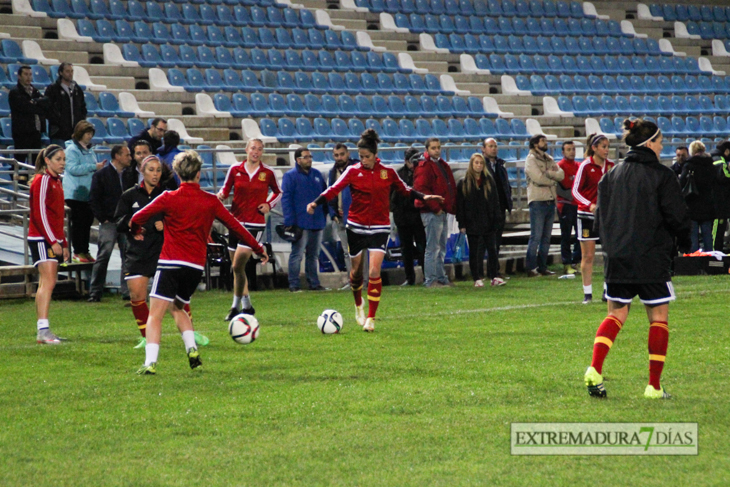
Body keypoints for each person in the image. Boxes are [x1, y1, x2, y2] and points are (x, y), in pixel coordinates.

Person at [130, 150, 268, 375]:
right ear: (198, 173)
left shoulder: (168, 197)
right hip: (194, 267)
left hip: (170, 263)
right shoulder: (210, 201)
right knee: (178, 307)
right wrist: (258, 248)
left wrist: (137, 230)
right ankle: (192, 350)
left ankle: (150, 363)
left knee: (155, 314)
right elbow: (236, 227)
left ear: (176, 173)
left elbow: (137, 218)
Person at [584, 118, 691, 399]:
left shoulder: (611, 175)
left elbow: (599, 219)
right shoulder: (662, 175)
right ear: (650, 143)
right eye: (660, 141)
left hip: (617, 257)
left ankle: (595, 369)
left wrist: (612, 245)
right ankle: (654, 386)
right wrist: (684, 242)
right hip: (651, 257)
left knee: (616, 314)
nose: (662, 146)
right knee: (658, 317)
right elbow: (677, 217)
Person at [306, 129, 442, 332]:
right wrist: (316, 203)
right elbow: (333, 189)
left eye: (367, 157)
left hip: (380, 227)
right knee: (356, 272)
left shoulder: (387, 172)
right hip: (356, 226)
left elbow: (404, 189)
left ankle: (371, 317)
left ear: (375, 155)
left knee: (374, 271)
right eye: (360, 157)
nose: (363, 160)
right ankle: (358, 303)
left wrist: (424, 197)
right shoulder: (352, 171)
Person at [217, 138, 281, 320]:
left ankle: (235, 307)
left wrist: (268, 204)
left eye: (260, 149)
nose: (256, 151)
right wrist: (221, 195)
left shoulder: (268, 172)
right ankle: (247, 305)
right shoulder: (235, 169)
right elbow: (226, 189)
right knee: (237, 268)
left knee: (238, 265)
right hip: (235, 222)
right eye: (253, 148)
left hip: (255, 223)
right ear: (246, 150)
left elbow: (278, 191)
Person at [28, 145, 69, 344]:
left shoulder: (56, 182)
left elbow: (57, 216)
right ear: (47, 161)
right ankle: (42, 330)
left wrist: (64, 242)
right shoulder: (43, 180)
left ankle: (43, 330)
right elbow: (39, 214)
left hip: (50, 237)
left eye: (64, 159)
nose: (62, 163)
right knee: (48, 281)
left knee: (48, 282)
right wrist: (53, 241)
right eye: (58, 159)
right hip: (42, 238)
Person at [87, 145, 135, 302]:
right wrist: (103, 218)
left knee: (127, 256)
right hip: (109, 222)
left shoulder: (129, 175)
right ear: (118, 156)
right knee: (104, 254)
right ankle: (95, 292)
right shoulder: (102, 175)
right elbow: (94, 198)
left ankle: (127, 291)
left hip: (125, 222)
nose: (130, 157)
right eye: (127, 155)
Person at [572, 133, 614, 303]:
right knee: (588, 255)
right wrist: (589, 204)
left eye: (607, 147)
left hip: (606, 216)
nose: (606, 150)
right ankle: (587, 294)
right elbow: (575, 190)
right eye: (603, 147)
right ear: (594, 148)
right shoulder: (585, 166)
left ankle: (607, 290)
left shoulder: (611, 166)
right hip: (587, 216)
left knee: (609, 254)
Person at [282, 147, 328, 292]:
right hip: (300, 222)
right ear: (298, 160)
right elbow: (286, 199)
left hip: (317, 220)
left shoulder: (317, 174)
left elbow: (325, 195)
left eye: (310, 156)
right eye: (306, 157)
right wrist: (289, 221)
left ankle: (314, 283)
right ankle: (294, 284)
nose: (309, 159)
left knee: (313, 255)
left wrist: (326, 213)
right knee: (297, 254)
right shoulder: (290, 176)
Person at [413, 138, 457, 288]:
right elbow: (421, 190)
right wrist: (435, 208)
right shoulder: (424, 166)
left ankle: (440, 277)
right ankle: (431, 280)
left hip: (441, 210)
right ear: (427, 149)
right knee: (433, 247)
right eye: (433, 148)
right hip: (432, 211)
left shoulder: (440, 164)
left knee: (440, 246)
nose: (437, 150)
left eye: (438, 147)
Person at [456, 153, 504, 287]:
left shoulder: (489, 181)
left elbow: (495, 202)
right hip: (472, 222)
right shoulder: (463, 183)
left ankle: (494, 276)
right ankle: (477, 277)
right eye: (476, 163)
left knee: (492, 250)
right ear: (471, 165)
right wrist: (462, 223)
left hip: (488, 221)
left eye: (481, 163)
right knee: (475, 251)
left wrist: (497, 219)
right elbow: (460, 206)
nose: (478, 165)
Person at [64, 120, 105, 263]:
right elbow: (72, 169)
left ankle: (85, 251)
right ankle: (77, 252)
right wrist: (93, 167)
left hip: (88, 193)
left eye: (91, 134)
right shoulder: (72, 150)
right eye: (87, 133)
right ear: (80, 133)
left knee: (87, 223)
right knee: (78, 224)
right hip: (75, 194)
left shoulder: (89, 149)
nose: (89, 136)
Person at [524, 134, 564, 277]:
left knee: (546, 237)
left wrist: (548, 174)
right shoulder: (531, 159)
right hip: (537, 201)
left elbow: (561, 174)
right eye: (542, 141)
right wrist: (552, 179)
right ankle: (531, 267)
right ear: (535, 144)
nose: (545, 143)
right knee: (536, 236)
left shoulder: (548, 158)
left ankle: (542, 266)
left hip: (549, 200)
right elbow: (538, 178)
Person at [390, 147, 426, 286]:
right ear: (406, 161)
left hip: (417, 217)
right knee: (406, 249)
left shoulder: (422, 173)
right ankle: (409, 278)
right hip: (403, 218)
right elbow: (392, 197)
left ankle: (426, 276)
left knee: (422, 246)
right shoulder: (398, 175)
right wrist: (396, 213)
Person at [679, 141, 716, 252]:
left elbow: (682, 184)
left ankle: (695, 264)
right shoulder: (710, 164)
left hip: (692, 204)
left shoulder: (689, 165)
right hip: (708, 205)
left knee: (693, 237)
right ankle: (711, 262)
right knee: (707, 236)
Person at [482, 138, 512, 273]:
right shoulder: (481, 165)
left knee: (497, 241)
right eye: (490, 146)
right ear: (483, 149)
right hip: (486, 209)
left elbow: (505, 185)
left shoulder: (500, 165)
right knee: (485, 242)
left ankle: (493, 270)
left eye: (495, 146)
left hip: (500, 208)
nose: (493, 149)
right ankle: (481, 271)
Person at [328, 143, 358, 275]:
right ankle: (353, 280)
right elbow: (330, 193)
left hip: (356, 216)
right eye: (336, 155)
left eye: (342, 154)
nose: (339, 157)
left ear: (348, 154)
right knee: (347, 252)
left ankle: (364, 280)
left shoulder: (356, 168)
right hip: (340, 217)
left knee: (359, 251)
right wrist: (332, 213)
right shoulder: (333, 172)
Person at [8, 65, 47, 164]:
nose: (28, 77)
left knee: (36, 162)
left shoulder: (35, 91)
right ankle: (18, 179)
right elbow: (26, 108)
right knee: (20, 161)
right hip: (22, 133)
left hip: (36, 132)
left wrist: (34, 102)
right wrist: (37, 104)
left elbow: (45, 105)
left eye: (30, 74)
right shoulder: (14, 92)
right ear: (19, 76)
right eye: (26, 74)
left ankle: (34, 180)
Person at [44, 62, 87, 146]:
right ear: (61, 72)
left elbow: (83, 107)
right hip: (58, 134)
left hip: (75, 134)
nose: (70, 74)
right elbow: (47, 108)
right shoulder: (53, 89)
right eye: (67, 71)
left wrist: (80, 122)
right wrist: (57, 122)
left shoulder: (77, 89)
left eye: (71, 71)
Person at [556, 141, 581, 275]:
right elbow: (562, 187)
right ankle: (566, 263)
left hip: (578, 205)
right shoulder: (560, 166)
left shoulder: (579, 166)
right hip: (565, 205)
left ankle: (576, 261)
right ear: (563, 152)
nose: (572, 151)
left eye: (573, 149)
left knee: (580, 234)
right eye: (568, 149)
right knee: (566, 235)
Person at [712, 141, 730, 251]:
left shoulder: (714, 158)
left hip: (719, 200)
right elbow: (724, 176)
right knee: (718, 229)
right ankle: (715, 253)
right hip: (719, 202)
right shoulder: (719, 161)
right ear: (727, 151)